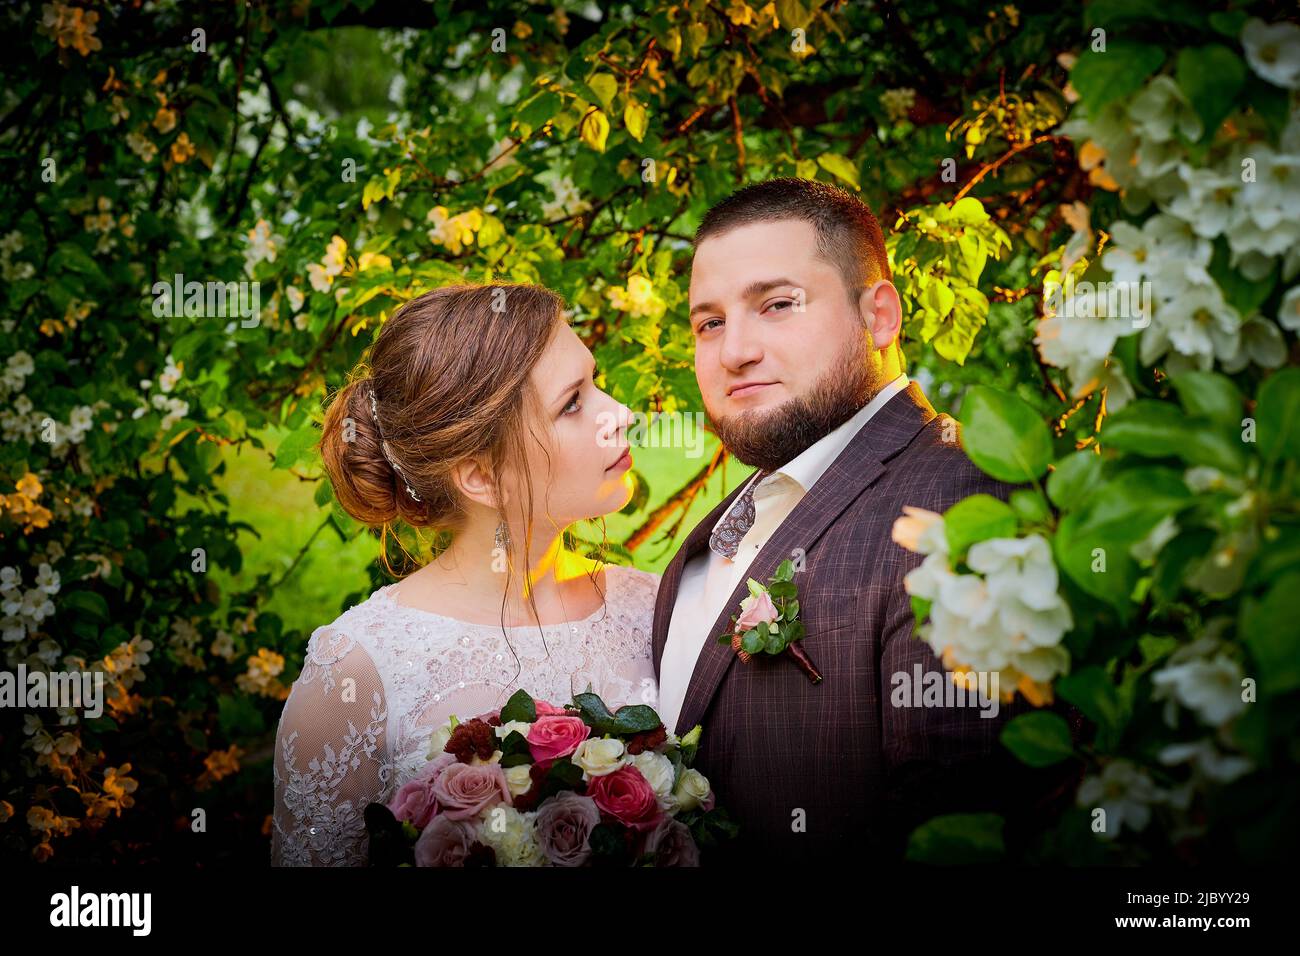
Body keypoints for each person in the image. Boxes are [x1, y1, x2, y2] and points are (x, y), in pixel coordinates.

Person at [654, 178, 1070, 864]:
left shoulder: (968, 500)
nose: (734, 351)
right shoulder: (723, 522)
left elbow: (962, 832)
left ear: (879, 315)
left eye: (778, 304)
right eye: (710, 323)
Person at [271, 283, 660, 866]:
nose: (620, 415)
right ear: (480, 475)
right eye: (573, 403)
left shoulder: (651, 608)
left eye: (595, 381)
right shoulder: (357, 674)